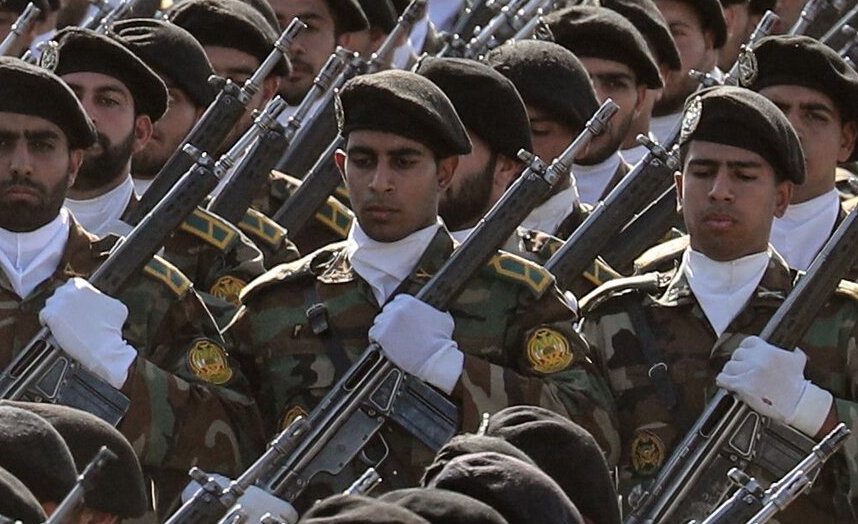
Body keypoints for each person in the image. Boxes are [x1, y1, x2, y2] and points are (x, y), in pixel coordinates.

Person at [580, 86, 858, 524]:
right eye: (703, 172)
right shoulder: (615, 316)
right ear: (679, 187)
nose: (720, 191)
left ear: (782, 197)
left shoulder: (838, 318)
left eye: (744, 175)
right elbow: (567, 454)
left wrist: (810, 408)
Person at [0, 56, 248, 488]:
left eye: (42, 145)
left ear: (74, 163)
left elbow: (236, 439)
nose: (20, 164)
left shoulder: (148, 288)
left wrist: (121, 368)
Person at [231, 68, 615, 483]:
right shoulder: (277, 302)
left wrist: (450, 367)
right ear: (341, 167)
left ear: (445, 172)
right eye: (363, 161)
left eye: (404, 162)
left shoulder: (514, 296)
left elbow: (594, 436)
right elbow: (231, 438)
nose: (380, 183)